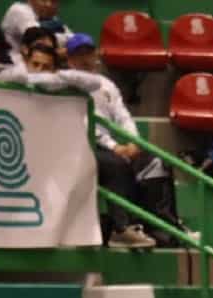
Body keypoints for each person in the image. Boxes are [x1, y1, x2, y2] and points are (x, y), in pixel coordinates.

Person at [64, 33, 188, 250]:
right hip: (80, 147)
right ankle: (120, 228)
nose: (85, 59)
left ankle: (163, 228)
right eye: (79, 55)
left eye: (88, 53)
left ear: (95, 56)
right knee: (117, 164)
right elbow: (82, 122)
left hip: (109, 146)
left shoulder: (105, 84)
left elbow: (122, 116)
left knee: (156, 163)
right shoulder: (65, 85)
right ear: (70, 60)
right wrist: (114, 146)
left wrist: (134, 141)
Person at [0, 0, 66, 68]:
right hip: (9, 65)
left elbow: (71, 39)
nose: (48, 4)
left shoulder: (52, 19)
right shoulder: (19, 10)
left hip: (33, 65)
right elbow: (40, 38)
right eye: (43, 0)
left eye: (53, 1)